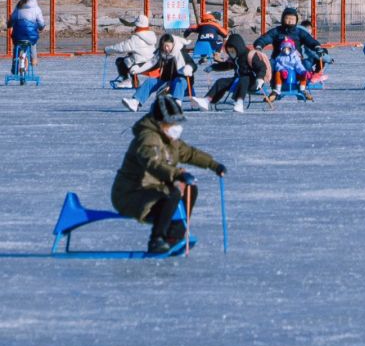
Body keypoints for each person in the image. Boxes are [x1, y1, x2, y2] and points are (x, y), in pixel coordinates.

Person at [111, 92, 226, 254]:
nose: (176, 127)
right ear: (160, 123)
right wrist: (177, 174)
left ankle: (175, 234)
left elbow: (189, 153)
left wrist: (214, 165)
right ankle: (156, 240)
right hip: (131, 194)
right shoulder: (147, 138)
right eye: (172, 123)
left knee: (190, 188)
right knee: (172, 193)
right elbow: (152, 163)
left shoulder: (169, 139)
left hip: (152, 190)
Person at [255, 7, 321, 100]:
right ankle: (274, 89)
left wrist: (316, 46)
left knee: (306, 64)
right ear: (283, 19)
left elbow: (309, 39)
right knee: (269, 64)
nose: (290, 21)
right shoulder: (277, 31)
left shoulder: (299, 32)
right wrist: (259, 45)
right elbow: (266, 38)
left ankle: (303, 87)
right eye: (287, 18)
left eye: (292, 19)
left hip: (296, 60)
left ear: (296, 20)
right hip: (279, 60)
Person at [207, 32, 271, 112]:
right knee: (221, 82)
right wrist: (213, 67)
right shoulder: (235, 58)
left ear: (238, 47)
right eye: (229, 51)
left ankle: (239, 102)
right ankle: (208, 101)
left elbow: (261, 67)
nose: (231, 53)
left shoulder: (251, 55)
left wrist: (260, 78)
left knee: (244, 78)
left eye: (233, 51)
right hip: (238, 81)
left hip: (254, 83)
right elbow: (227, 65)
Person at [108, 14, 157, 87]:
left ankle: (126, 80)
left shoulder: (136, 38)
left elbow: (122, 47)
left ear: (137, 25)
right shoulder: (151, 36)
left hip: (140, 64)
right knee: (132, 57)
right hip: (153, 63)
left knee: (121, 61)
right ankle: (135, 81)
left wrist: (108, 49)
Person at [7, 0, 45, 69]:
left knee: (16, 46)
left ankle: (14, 65)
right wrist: (41, 28)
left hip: (18, 34)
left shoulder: (19, 6)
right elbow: (41, 23)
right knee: (32, 44)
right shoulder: (36, 8)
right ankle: (34, 60)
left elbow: (12, 19)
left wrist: (9, 25)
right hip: (31, 34)